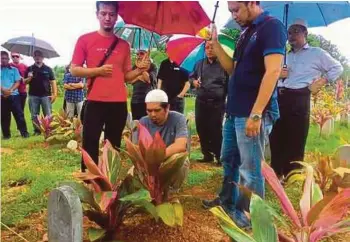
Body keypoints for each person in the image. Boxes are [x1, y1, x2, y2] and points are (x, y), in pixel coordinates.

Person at [202, 1, 287, 228]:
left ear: (252, 3)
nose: (233, 15)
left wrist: (257, 113)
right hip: (234, 110)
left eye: (236, 9)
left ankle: (249, 216)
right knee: (229, 159)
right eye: (230, 10)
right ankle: (227, 201)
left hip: (253, 111)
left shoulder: (271, 26)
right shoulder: (245, 33)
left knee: (250, 169)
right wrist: (216, 44)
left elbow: (274, 71)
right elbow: (233, 69)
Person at [70, 1, 150, 171]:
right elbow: (74, 69)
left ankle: (109, 180)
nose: (107, 18)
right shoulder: (85, 40)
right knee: (90, 141)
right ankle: (89, 179)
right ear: (97, 14)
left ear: (116, 16)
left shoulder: (123, 45)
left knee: (113, 143)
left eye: (112, 14)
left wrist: (139, 70)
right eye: (104, 13)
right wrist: (97, 71)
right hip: (94, 100)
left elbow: (126, 76)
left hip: (118, 102)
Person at [269, 19, 343, 179]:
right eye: (289, 32)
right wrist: (279, 75)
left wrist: (321, 81)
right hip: (280, 97)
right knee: (276, 135)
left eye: (296, 31)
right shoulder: (284, 55)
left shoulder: (316, 53)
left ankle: (292, 176)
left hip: (300, 97)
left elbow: (337, 67)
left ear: (305, 34)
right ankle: (276, 173)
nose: (292, 35)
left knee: (295, 137)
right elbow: (272, 76)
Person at [134, 89, 189, 189]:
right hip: (149, 161)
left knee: (182, 160)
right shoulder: (143, 122)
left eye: (157, 110)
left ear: (167, 107)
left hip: (168, 158)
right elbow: (137, 148)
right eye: (149, 111)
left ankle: (172, 190)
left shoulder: (178, 119)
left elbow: (180, 146)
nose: (153, 114)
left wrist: (157, 158)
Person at [190, 41, 228, 165]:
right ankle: (207, 154)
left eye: (212, 47)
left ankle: (219, 156)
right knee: (201, 128)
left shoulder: (224, 65)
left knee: (216, 130)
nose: (209, 50)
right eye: (207, 47)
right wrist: (194, 82)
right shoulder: (199, 64)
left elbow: (229, 84)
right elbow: (191, 77)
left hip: (217, 103)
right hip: (201, 102)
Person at [24, 50, 57, 135]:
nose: (37, 57)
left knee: (48, 114)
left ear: (43, 57)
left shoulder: (48, 69)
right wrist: (29, 77)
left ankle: (48, 130)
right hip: (33, 95)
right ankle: (37, 131)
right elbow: (25, 82)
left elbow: (53, 82)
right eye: (36, 56)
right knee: (34, 115)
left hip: (46, 95)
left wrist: (54, 94)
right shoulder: (29, 69)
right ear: (33, 57)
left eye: (39, 55)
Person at [1, 51, 29, 139]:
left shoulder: (14, 69)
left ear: (8, 59)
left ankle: (24, 133)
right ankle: (6, 135)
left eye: (5, 58)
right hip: (2, 96)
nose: (4, 60)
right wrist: (3, 90)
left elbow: (17, 82)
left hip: (14, 96)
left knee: (19, 115)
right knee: (4, 116)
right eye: (2, 58)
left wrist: (11, 90)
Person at [130, 50, 158, 120]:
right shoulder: (134, 67)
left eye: (141, 53)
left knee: (147, 122)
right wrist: (138, 77)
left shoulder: (153, 66)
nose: (139, 56)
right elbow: (130, 81)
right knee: (136, 122)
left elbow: (148, 80)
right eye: (137, 54)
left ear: (147, 55)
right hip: (135, 99)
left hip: (147, 99)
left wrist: (141, 69)